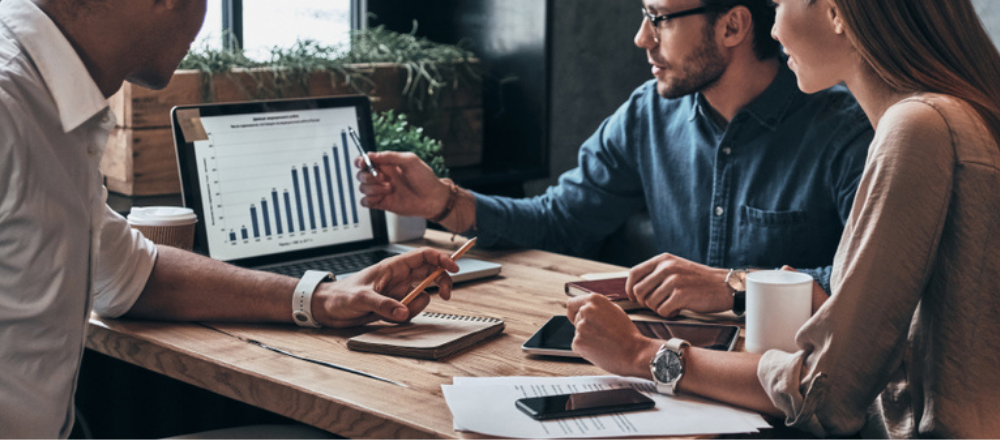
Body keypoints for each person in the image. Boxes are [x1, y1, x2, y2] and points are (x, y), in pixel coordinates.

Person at [0, 0, 460, 437]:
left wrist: (324, 298)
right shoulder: (10, 106)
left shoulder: (46, 104)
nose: (202, 26)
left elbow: (130, 274)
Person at [568, 0, 1000, 437]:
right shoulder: (951, 118)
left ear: (836, 13)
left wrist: (639, 353)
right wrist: (830, 307)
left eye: (778, 4)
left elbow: (826, 394)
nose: (772, 30)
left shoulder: (917, 128)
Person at [358, 0, 874, 319]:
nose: (641, 37)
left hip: (787, 393)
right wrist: (443, 200)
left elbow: (868, 288)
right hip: (667, 373)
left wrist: (733, 286)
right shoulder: (647, 114)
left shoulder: (846, 132)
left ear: (733, 27)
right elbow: (561, 220)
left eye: (659, 18)